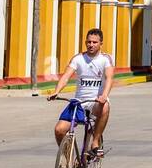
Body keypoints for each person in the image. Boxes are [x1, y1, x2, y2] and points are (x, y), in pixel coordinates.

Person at [48, 28, 114, 158]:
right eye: (88, 42)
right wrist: (56, 91)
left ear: (101, 43)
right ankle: (70, 160)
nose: (91, 45)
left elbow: (109, 79)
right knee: (59, 130)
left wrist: (104, 96)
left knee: (105, 106)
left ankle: (95, 142)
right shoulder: (78, 58)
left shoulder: (105, 59)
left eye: (94, 42)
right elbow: (66, 77)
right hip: (79, 102)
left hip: (96, 101)